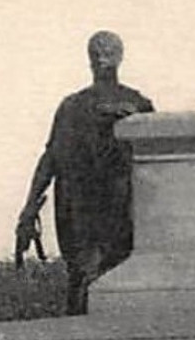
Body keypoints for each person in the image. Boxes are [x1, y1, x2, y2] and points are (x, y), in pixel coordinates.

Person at [15, 31, 154, 316]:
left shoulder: (131, 106)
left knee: (91, 279)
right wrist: (29, 208)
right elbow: (51, 158)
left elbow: (49, 160)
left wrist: (29, 208)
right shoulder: (125, 104)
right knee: (88, 278)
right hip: (91, 209)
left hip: (108, 209)